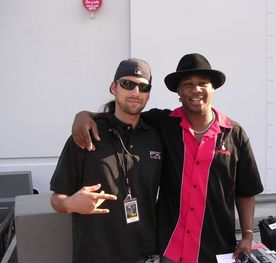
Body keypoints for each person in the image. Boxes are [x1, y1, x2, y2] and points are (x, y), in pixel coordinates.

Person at [72, 53, 264, 263]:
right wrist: (84, 115)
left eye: (203, 83)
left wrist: (247, 235)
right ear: (179, 92)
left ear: (213, 88)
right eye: (187, 84)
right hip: (171, 251)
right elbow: (125, 113)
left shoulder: (235, 134)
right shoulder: (162, 124)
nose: (196, 89)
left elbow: (246, 191)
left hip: (216, 249)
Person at [50, 58, 163, 263]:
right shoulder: (85, 135)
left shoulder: (157, 136)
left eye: (143, 87)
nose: (135, 92)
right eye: (127, 84)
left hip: (146, 254)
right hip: (96, 255)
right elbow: (56, 199)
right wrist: (71, 204)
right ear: (113, 87)